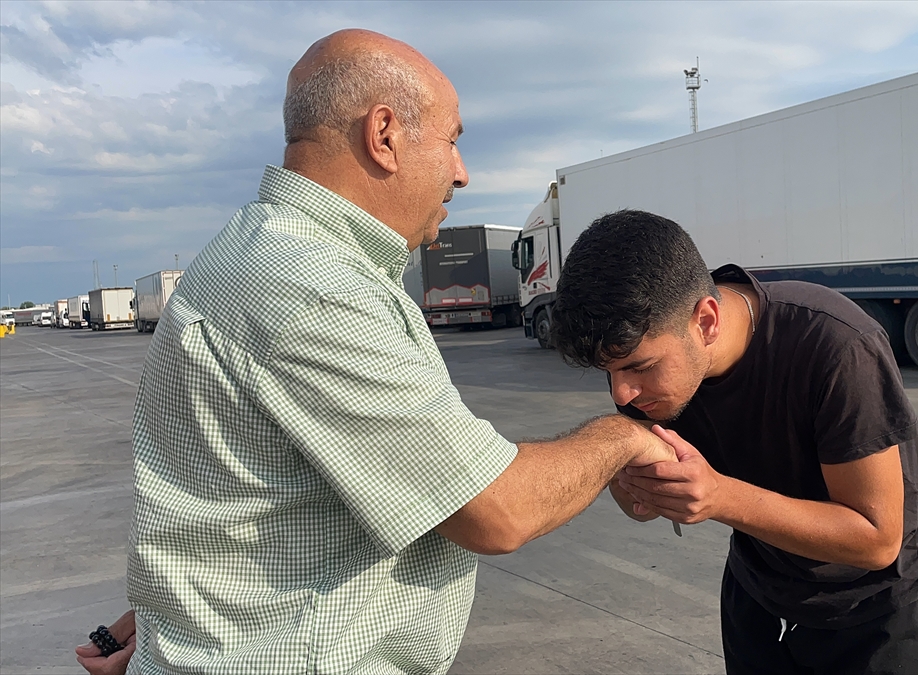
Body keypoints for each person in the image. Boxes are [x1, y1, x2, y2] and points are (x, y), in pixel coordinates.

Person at [79, 31, 673, 675]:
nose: (462, 171)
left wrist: (169, 615)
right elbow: (499, 512)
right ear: (384, 134)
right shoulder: (314, 288)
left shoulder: (242, 254)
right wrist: (622, 438)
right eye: (452, 139)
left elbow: (231, 493)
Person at [550, 210, 918, 675]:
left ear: (706, 321)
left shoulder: (835, 348)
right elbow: (637, 507)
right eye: (608, 373)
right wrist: (640, 483)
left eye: (639, 368)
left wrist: (719, 496)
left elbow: (876, 539)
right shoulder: (652, 362)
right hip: (759, 598)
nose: (621, 393)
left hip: (877, 611)